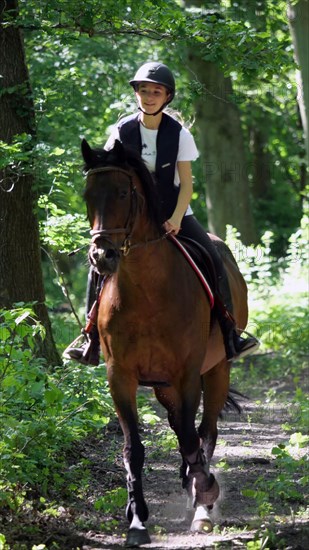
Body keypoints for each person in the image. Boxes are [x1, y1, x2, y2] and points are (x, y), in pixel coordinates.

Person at [64, 61, 259, 364]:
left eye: (156, 91)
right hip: (132, 217)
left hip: (174, 211)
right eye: (144, 90)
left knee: (211, 253)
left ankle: (230, 331)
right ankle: (90, 336)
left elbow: (187, 185)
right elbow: (108, 172)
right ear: (137, 94)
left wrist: (177, 219)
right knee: (98, 262)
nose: (149, 96)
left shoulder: (179, 134)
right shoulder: (121, 130)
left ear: (167, 96)